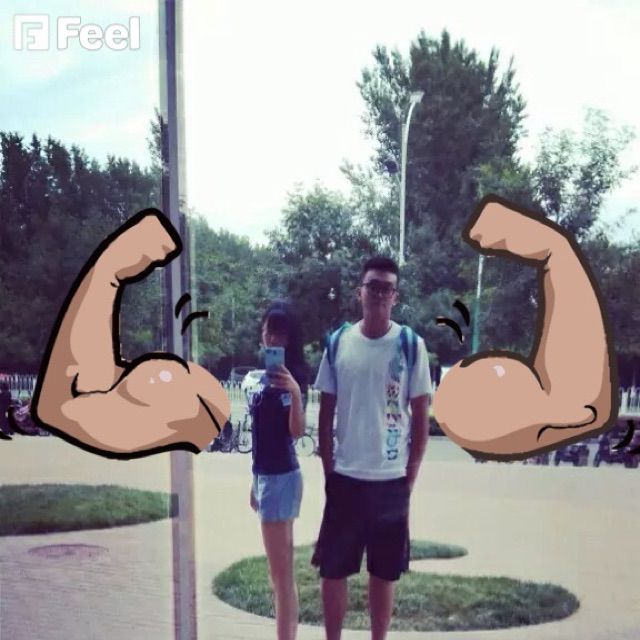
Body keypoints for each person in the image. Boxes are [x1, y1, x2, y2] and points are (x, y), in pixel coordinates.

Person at [312, 256, 431, 640]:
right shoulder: (338, 344)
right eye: (373, 286)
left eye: (387, 288)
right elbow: (325, 416)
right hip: (346, 479)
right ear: (359, 292)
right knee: (333, 570)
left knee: (384, 574)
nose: (379, 294)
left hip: (390, 482)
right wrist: (330, 473)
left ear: (395, 296)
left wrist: (408, 480)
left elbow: (422, 419)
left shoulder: (411, 345)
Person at [248, 301, 308, 640]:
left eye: (279, 332)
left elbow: (296, 432)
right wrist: (253, 481)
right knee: (280, 575)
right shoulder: (262, 379)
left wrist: (295, 392)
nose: (272, 338)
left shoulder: (292, 379)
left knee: (281, 577)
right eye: (268, 330)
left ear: (289, 338)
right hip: (266, 477)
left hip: (282, 477)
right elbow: (261, 437)